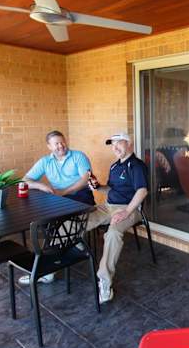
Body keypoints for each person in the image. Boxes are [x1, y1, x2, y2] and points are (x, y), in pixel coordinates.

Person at [20, 130, 96, 285]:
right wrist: (40, 185)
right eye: (56, 144)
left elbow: (85, 179)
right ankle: (71, 242)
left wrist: (64, 192)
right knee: (41, 219)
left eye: (62, 142)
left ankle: (47, 271)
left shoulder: (78, 156)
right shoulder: (45, 161)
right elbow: (24, 180)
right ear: (49, 146)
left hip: (80, 196)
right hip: (58, 199)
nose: (61, 146)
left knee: (58, 225)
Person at [88, 132, 148, 303]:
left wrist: (126, 211)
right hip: (108, 207)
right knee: (80, 220)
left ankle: (105, 282)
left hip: (129, 209)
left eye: (118, 143)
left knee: (113, 233)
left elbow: (142, 191)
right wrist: (97, 187)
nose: (115, 148)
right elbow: (111, 190)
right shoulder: (114, 166)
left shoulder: (136, 166)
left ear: (129, 144)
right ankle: (52, 265)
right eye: (112, 145)